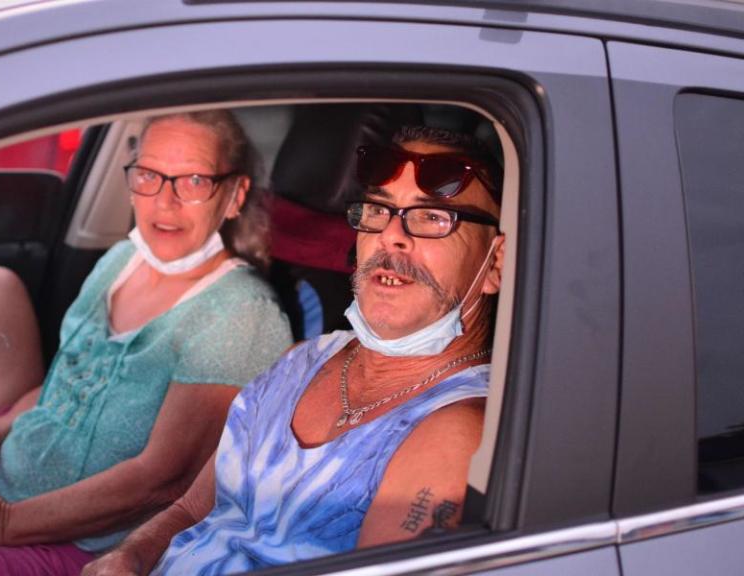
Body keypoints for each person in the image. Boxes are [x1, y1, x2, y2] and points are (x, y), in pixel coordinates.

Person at [0, 110, 292, 575]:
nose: (165, 201)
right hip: (6, 485)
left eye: (194, 181)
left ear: (234, 195)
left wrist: (0, 521)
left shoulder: (240, 315)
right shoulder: (122, 260)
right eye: (150, 175)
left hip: (73, 547)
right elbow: (58, 392)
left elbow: (163, 482)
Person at [82, 124, 506, 575]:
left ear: (494, 264)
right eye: (379, 211)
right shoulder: (302, 361)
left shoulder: (455, 431)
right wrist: (129, 556)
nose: (392, 237)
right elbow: (190, 511)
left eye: (433, 218)